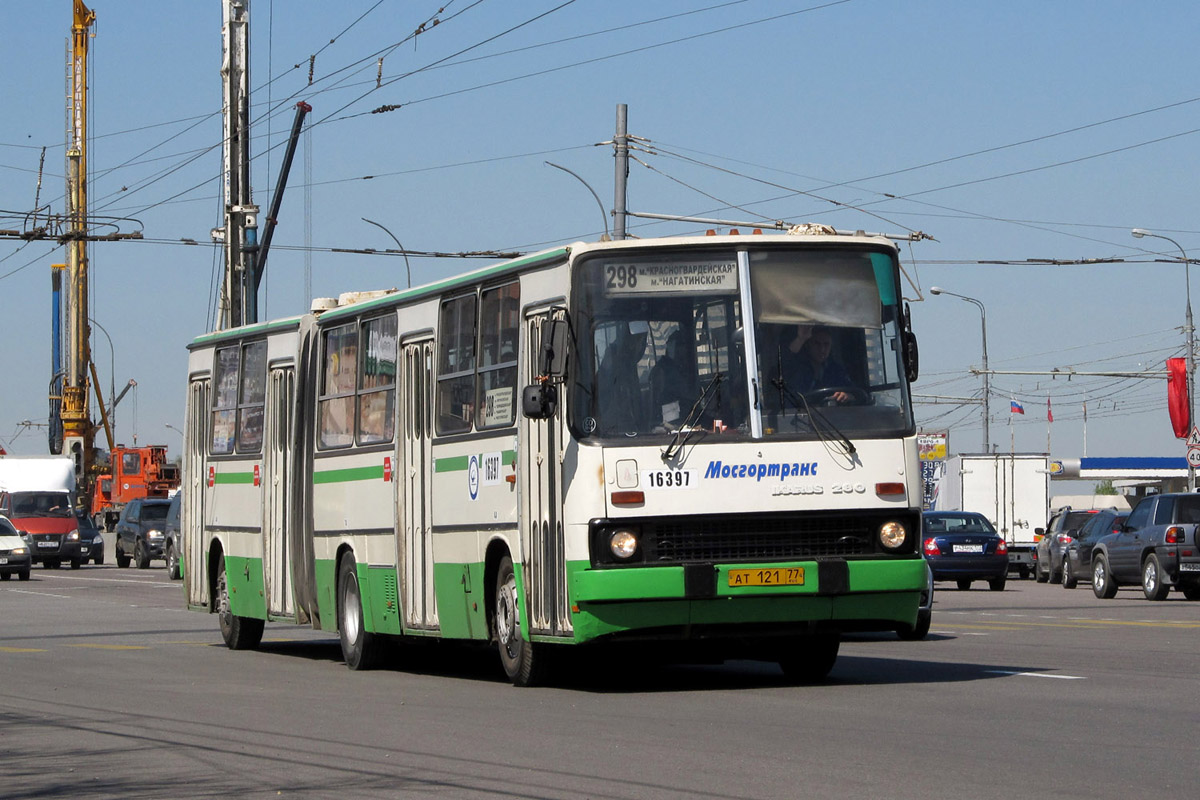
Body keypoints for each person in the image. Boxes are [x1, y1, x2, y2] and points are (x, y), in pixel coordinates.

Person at [777, 325, 857, 404]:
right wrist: (801, 338)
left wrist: (848, 396)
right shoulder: (796, 367)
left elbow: (856, 393)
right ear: (808, 345)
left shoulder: (836, 370)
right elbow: (784, 359)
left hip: (831, 415)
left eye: (826, 344)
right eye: (817, 344)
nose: (822, 349)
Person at [596, 326, 648, 433]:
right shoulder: (613, 355)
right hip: (613, 428)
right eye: (638, 340)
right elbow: (601, 388)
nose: (640, 345)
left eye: (643, 341)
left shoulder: (630, 362)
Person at [649, 329, 698, 427]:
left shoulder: (684, 368)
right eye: (680, 346)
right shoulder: (661, 370)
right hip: (669, 420)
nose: (684, 351)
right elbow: (656, 400)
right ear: (672, 347)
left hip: (688, 416)